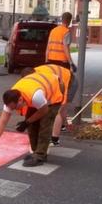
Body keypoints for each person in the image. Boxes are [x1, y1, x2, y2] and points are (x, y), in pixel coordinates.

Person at [0, 71, 65, 167]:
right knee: (31, 122)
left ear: (20, 100)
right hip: (36, 88)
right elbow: (2, 122)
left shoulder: (36, 96)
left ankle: (40, 156)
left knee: (45, 123)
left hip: (55, 90)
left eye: (15, 107)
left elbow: (44, 110)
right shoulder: (10, 99)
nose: (14, 110)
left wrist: (26, 122)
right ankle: (36, 152)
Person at [45, 12, 78, 146]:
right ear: (69, 21)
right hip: (62, 65)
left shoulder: (53, 31)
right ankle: (55, 136)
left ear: (61, 19)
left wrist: (46, 61)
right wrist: (70, 63)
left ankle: (63, 125)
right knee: (61, 99)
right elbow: (65, 47)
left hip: (50, 63)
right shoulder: (66, 32)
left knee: (55, 94)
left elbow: (47, 48)